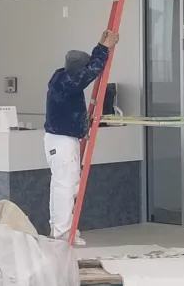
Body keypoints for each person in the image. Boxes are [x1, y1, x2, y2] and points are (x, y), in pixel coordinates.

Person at [44, 30, 119, 246]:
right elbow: (90, 72)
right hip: (62, 141)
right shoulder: (68, 82)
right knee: (64, 187)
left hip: (62, 140)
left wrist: (100, 44)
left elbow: (86, 70)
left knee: (64, 185)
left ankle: (61, 230)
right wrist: (104, 48)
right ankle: (62, 233)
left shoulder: (62, 75)